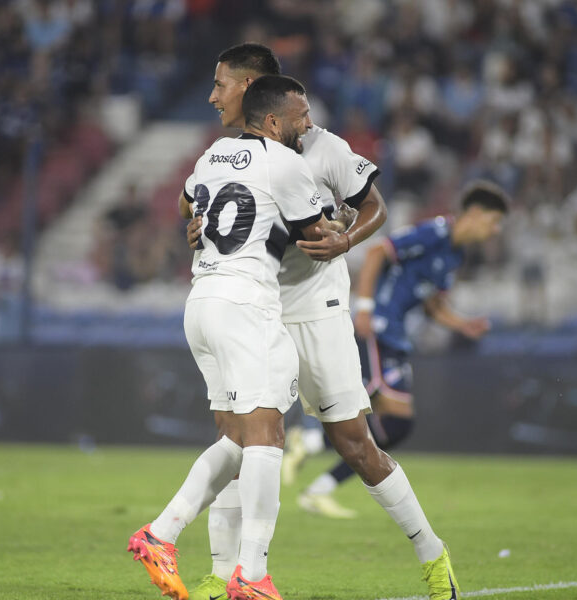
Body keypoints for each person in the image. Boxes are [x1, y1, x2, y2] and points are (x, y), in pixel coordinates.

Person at [185, 43, 460, 600]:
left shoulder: (322, 146)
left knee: (354, 443)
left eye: (221, 84)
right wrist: (191, 226)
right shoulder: (223, 152)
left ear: (251, 88)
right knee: (237, 440)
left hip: (316, 311)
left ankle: (434, 556)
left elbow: (375, 208)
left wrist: (345, 240)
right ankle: (224, 577)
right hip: (253, 308)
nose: (213, 95)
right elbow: (200, 208)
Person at [128, 74, 337, 600]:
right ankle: (251, 575)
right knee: (267, 437)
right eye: (299, 118)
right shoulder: (285, 162)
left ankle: (161, 533)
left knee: (239, 438)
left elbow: (186, 207)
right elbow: (317, 239)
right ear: (272, 121)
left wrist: (198, 220)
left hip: (201, 303)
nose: (306, 126)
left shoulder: (212, 154)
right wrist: (343, 226)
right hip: (247, 304)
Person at [296, 181, 509, 528]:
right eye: (494, 220)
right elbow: (380, 250)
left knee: (395, 424)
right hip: (378, 327)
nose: (494, 230)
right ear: (475, 214)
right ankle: (309, 448)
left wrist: (462, 324)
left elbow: (432, 304)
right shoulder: (436, 232)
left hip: (396, 337)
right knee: (364, 409)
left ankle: (317, 474)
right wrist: (364, 307)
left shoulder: (454, 255)